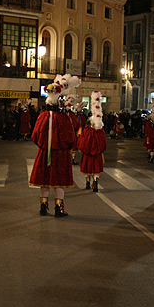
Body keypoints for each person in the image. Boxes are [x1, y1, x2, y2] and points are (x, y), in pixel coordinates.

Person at [30, 74, 80, 217]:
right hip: (59, 154)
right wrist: (67, 146)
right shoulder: (63, 117)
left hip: (44, 152)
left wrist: (43, 145)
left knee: (44, 180)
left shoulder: (42, 116)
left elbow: (35, 135)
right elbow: (70, 137)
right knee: (59, 182)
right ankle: (59, 209)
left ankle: (43, 207)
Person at [77, 91, 107, 192]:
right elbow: (103, 143)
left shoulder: (87, 131)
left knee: (88, 170)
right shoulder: (100, 132)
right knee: (96, 170)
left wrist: (82, 149)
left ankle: (88, 183)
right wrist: (100, 150)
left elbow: (82, 142)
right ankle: (96, 182)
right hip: (97, 154)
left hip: (87, 154)